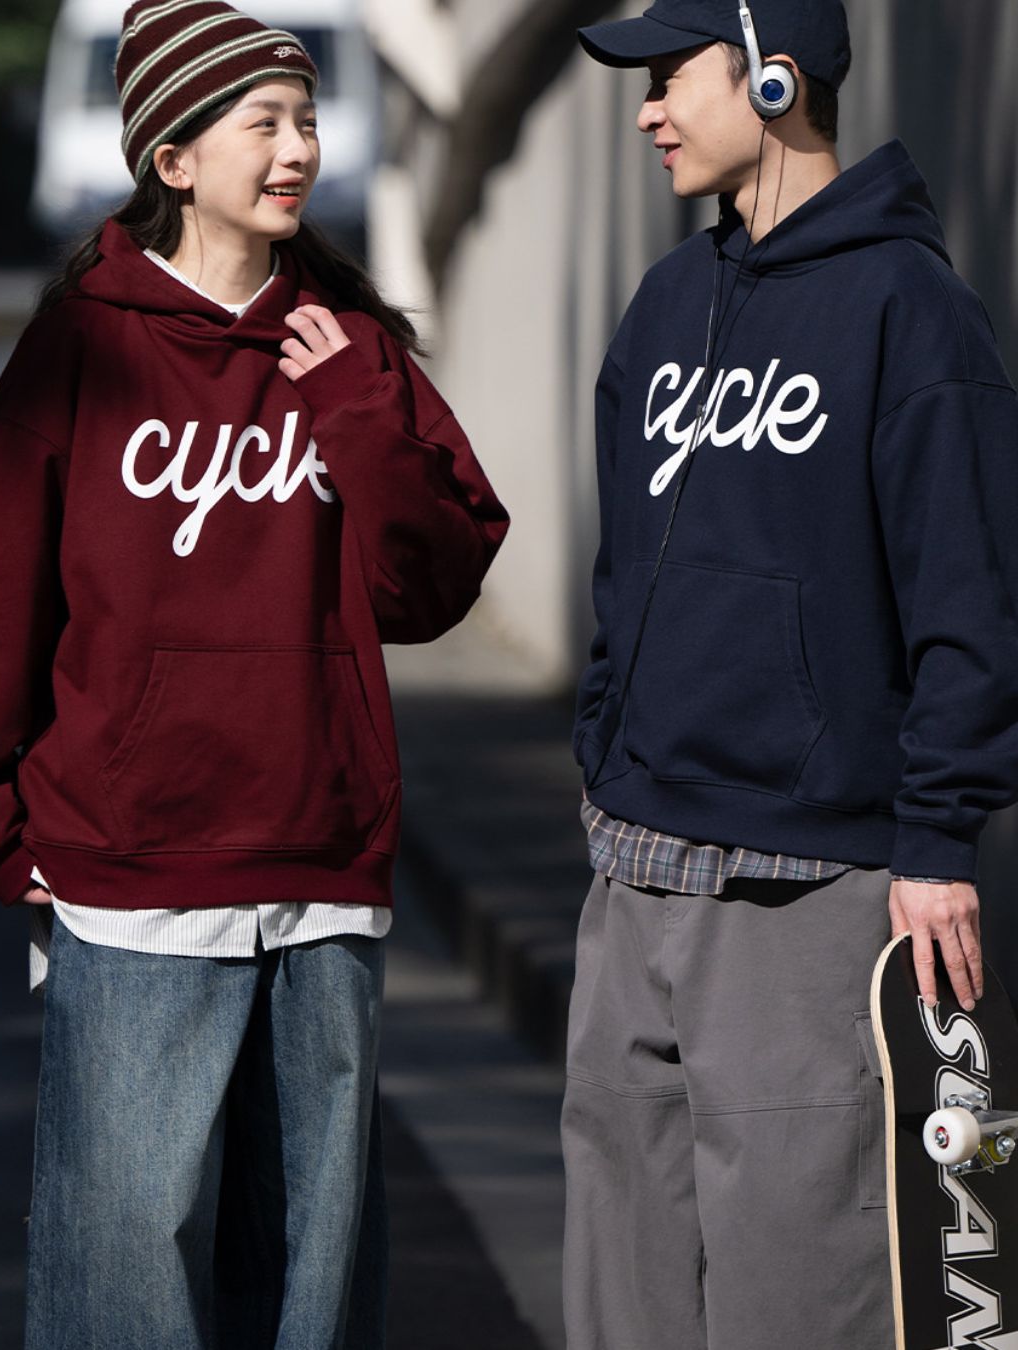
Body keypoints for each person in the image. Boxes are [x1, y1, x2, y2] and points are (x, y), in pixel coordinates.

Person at [0, 2, 507, 1345]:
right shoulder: (82, 344)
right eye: (266, 123)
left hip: (320, 870)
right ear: (175, 159)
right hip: (133, 882)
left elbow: (433, 586)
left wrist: (355, 409)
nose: (299, 148)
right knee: (122, 1272)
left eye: (306, 120)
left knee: (313, 1274)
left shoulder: (348, 347)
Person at [564, 1, 1018, 1346]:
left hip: (805, 889)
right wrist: (603, 752)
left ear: (774, 78)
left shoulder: (911, 311)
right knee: (620, 1300)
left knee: (799, 1300)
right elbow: (621, 565)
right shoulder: (665, 302)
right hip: (631, 876)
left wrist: (936, 836)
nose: (647, 110)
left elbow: (970, 594)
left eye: (670, 77)